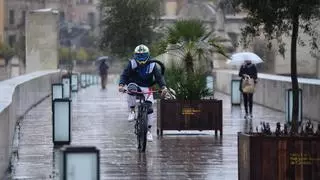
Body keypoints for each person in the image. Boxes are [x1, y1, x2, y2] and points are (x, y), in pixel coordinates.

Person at [118, 44, 168, 142]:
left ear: (148, 55)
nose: (141, 58)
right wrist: (121, 85)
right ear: (135, 55)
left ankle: (149, 131)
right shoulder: (131, 63)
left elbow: (159, 77)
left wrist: (163, 87)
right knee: (131, 88)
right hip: (134, 85)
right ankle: (132, 111)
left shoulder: (152, 65)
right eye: (139, 55)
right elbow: (124, 75)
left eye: (143, 55)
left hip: (147, 87)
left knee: (149, 108)